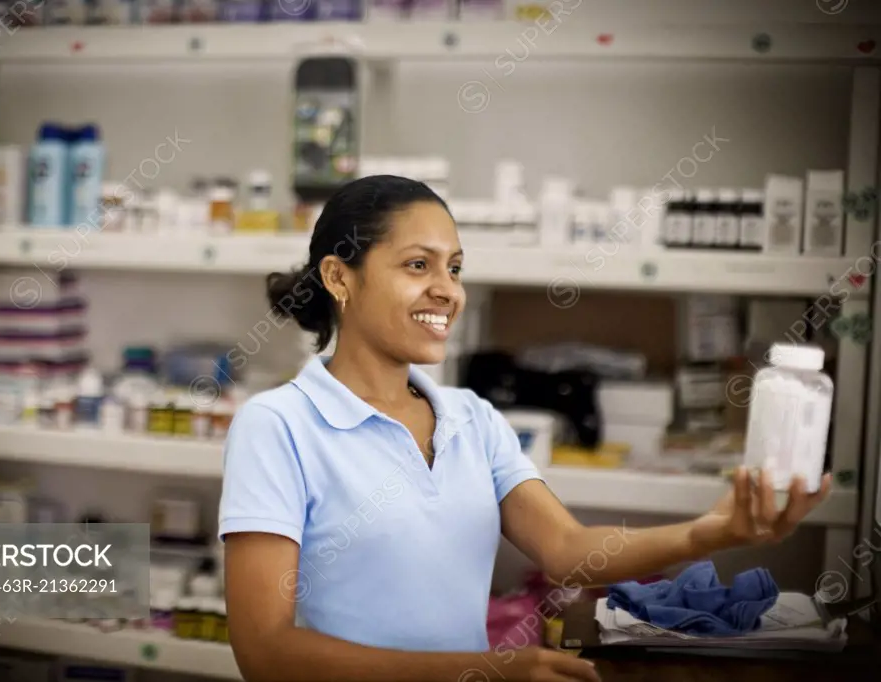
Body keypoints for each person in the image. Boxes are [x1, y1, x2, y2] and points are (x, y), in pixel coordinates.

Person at [217, 175, 832, 682]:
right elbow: (266, 653)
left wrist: (713, 531)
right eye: (416, 265)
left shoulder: (471, 418)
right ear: (339, 277)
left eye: (454, 268)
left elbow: (567, 551)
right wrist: (485, 670)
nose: (447, 291)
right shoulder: (277, 427)